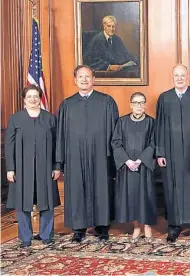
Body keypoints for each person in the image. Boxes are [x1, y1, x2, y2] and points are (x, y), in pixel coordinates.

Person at [56, 65, 119, 243]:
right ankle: (78, 228)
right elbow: (60, 135)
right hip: (74, 157)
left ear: (93, 79)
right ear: (75, 80)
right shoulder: (67, 105)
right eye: (81, 77)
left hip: (100, 155)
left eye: (88, 76)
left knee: (101, 189)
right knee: (76, 190)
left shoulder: (106, 102)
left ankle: (102, 226)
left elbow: (115, 133)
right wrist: (59, 162)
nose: (84, 80)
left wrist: (114, 158)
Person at [155, 64, 190, 244]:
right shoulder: (165, 98)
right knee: (172, 189)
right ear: (172, 77)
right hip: (171, 153)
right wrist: (160, 151)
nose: (180, 78)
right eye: (176, 75)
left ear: (188, 76)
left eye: (183, 75)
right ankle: (174, 227)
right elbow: (160, 126)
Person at [5, 85, 61, 248]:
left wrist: (57, 166)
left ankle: (46, 235)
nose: (32, 99)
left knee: (47, 201)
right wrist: (10, 168)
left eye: (36, 96)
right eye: (29, 96)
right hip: (22, 169)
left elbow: (57, 145)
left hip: (46, 167)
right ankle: (25, 237)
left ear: (40, 98)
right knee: (23, 202)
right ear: (24, 99)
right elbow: (9, 145)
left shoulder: (50, 119)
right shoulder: (15, 119)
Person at [112, 92, 156, 243]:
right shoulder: (122, 122)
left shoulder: (152, 122)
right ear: (130, 104)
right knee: (131, 198)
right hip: (127, 167)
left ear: (145, 104)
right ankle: (137, 226)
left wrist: (141, 159)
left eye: (141, 102)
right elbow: (116, 143)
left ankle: (148, 226)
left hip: (144, 166)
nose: (139, 105)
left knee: (146, 197)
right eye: (136, 102)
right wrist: (127, 160)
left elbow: (153, 143)